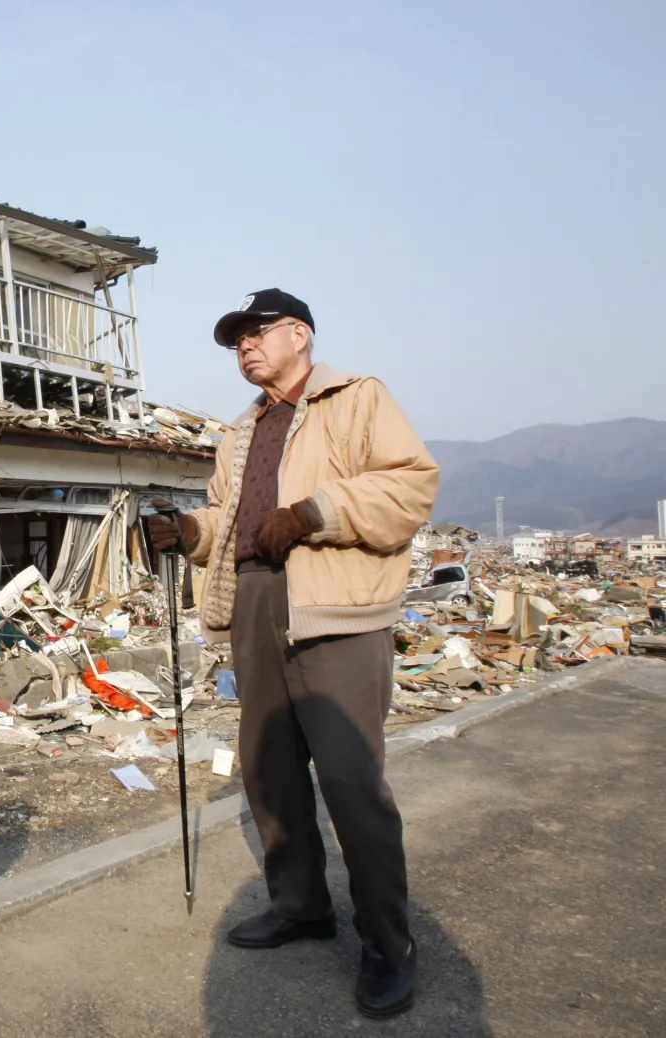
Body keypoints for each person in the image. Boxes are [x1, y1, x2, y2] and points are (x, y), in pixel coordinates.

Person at [149, 288, 438, 1019]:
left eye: (256, 333)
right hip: (254, 602)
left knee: (350, 779)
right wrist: (187, 530)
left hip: (335, 605)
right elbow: (229, 519)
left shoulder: (357, 399)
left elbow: (409, 486)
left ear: (299, 335)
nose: (244, 346)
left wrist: (315, 514)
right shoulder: (241, 430)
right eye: (236, 339)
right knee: (270, 772)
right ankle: (302, 905)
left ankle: (388, 946)